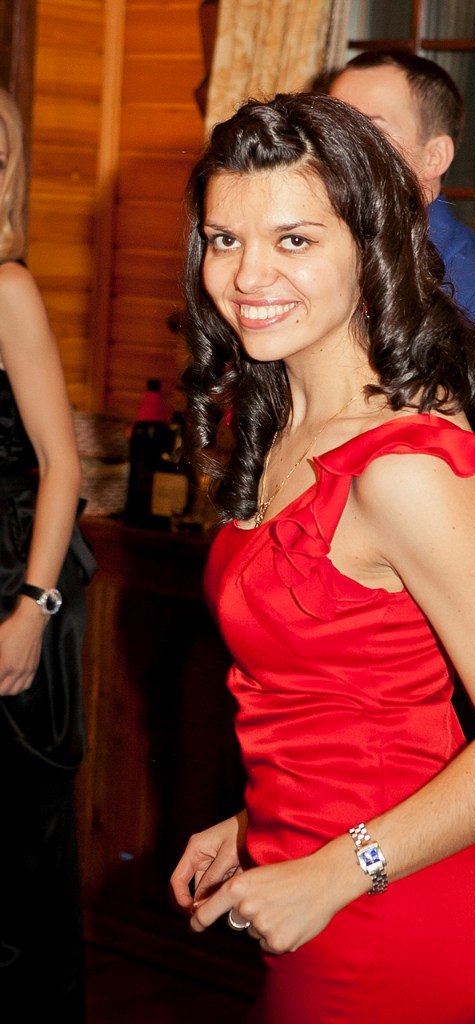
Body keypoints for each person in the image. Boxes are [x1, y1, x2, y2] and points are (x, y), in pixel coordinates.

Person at [169, 92, 475, 1024]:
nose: (248, 274)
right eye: (225, 239)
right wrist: (258, 823)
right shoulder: (283, 427)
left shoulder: (405, 469)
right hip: (310, 863)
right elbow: (346, 697)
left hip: (391, 902)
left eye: (295, 239)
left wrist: (332, 869)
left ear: (372, 246)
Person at [327, 52, 475, 864]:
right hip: (352, 627)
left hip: (454, 630)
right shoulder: (333, 272)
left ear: (435, 158)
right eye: (335, 126)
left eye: (372, 129)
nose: (342, 148)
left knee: (440, 859)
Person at [0, 87, 96, 1021]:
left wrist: (32, 609)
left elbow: (62, 463)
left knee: (11, 852)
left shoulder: (7, 288)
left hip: (11, 580)